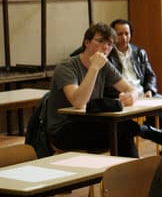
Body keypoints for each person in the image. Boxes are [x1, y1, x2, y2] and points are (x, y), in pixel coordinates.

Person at [46, 22, 141, 158]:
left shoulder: (105, 65)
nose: (105, 47)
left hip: (90, 122)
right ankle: (143, 135)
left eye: (109, 44)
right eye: (100, 41)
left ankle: (127, 174)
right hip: (64, 129)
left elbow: (130, 88)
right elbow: (78, 102)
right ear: (87, 42)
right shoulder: (66, 67)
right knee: (123, 130)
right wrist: (94, 68)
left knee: (123, 129)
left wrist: (132, 96)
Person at [108, 18, 162, 146]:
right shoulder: (107, 55)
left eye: (126, 33)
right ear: (112, 35)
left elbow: (150, 75)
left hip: (143, 94)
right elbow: (108, 83)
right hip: (124, 97)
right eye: (119, 34)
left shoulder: (139, 52)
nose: (124, 37)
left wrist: (149, 90)